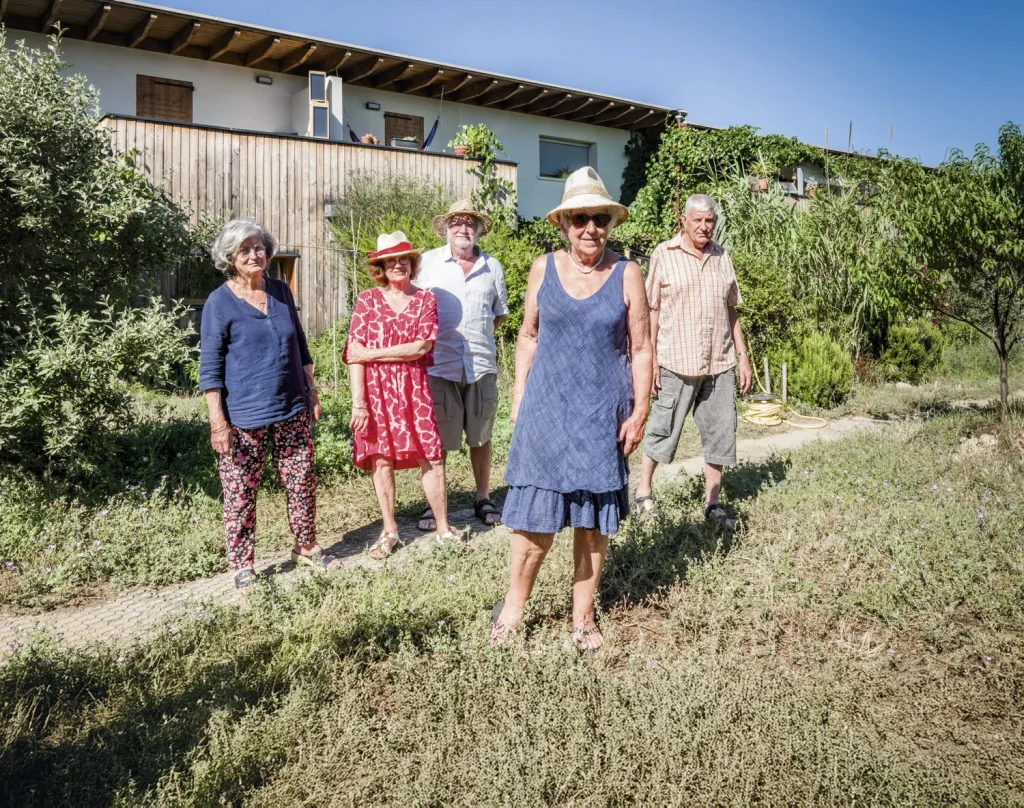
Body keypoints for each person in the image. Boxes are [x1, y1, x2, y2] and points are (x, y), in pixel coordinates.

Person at [491, 167, 653, 651]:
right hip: (546, 411)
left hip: (602, 414)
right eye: (580, 218)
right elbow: (528, 335)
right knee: (534, 521)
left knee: (593, 521)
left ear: (611, 223)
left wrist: (640, 410)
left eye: (600, 219)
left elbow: (642, 347)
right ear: (563, 223)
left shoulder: (627, 272)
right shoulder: (542, 268)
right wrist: (519, 397)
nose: (590, 228)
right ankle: (513, 611)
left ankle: (582, 618)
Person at [199, 218, 340, 594]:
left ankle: (306, 546)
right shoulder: (219, 302)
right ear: (230, 256)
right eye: (245, 249)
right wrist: (218, 423)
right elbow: (210, 369)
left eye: (259, 247)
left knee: (301, 480)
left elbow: (301, 344)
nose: (254, 254)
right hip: (244, 418)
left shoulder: (279, 290)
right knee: (241, 492)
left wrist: (311, 390)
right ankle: (243, 565)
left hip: (292, 406)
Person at [633, 194, 753, 529]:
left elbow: (731, 310)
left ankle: (712, 503)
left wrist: (743, 356)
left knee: (721, 432)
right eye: (697, 220)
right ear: (684, 221)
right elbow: (652, 310)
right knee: (664, 427)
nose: (704, 226)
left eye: (709, 220)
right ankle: (643, 491)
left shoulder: (721, 256)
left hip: (719, 361)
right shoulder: (664, 253)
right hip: (676, 360)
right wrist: (651, 359)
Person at [344, 231, 457, 558]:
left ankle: (443, 528)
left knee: (431, 456)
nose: (398, 265)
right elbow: (353, 356)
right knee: (381, 458)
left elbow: (420, 347)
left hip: (414, 389)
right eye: (390, 260)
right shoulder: (367, 300)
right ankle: (389, 530)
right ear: (380, 267)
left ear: (412, 263)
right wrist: (358, 404)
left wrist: (371, 354)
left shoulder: (425, 300)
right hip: (376, 393)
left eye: (404, 259)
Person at [416, 199, 509, 529]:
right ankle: (434, 504)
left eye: (470, 223)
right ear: (446, 228)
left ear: (479, 229)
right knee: (437, 439)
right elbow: (414, 309)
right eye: (456, 222)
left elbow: (498, 315)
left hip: (480, 364)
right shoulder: (428, 263)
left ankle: (483, 496)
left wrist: (475, 337)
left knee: (481, 436)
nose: (463, 228)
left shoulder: (492, 267)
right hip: (439, 364)